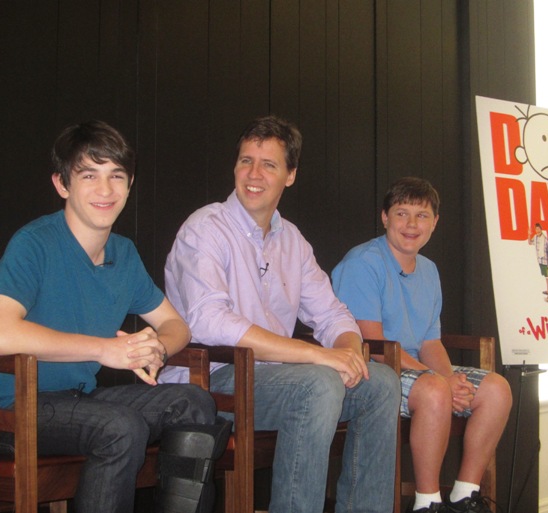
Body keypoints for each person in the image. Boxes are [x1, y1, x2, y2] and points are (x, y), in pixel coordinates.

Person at [160, 115, 401, 513]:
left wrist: (349, 352)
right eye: (245, 161)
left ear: (290, 175)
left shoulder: (293, 241)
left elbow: (333, 314)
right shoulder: (204, 229)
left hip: (273, 375)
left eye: (268, 164)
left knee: (382, 384)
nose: (253, 174)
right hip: (209, 380)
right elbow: (208, 321)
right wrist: (315, 355)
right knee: (318, 384)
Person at [0, 120, 227, 513]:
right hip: (17, 405)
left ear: (130, 183)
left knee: (194, 402)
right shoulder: (34, 243)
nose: (105, 191)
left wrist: (155, 347)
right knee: (121, 426)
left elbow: (178, 326)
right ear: (62, 184)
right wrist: (105, 350)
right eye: (89, 175)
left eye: (116, 176)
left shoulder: (123, 253)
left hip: (80, 401)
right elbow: (3, 331)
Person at [332, 177, 512, 513]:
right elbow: (375, 345)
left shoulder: (429, 270)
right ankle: (427, 503)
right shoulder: (362, 263)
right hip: (373, 369)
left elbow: (430, 342)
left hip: (419, 369)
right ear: (385, 217)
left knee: (496, 388)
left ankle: (464, 495)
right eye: (402, 214)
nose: (412, 224)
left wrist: (449, 378)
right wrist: (441, 382)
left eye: (422, 215)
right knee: (434, 391)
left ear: (435, 222)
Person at [528, 222, 548, 300]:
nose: (537, 230)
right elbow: (529, 243)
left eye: (538, 229)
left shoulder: (545, 239)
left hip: (545, 260)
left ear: (541, 229)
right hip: (539, 259)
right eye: (536, 229)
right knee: (545, 275)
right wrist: (529, 235)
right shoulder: (535, 237)